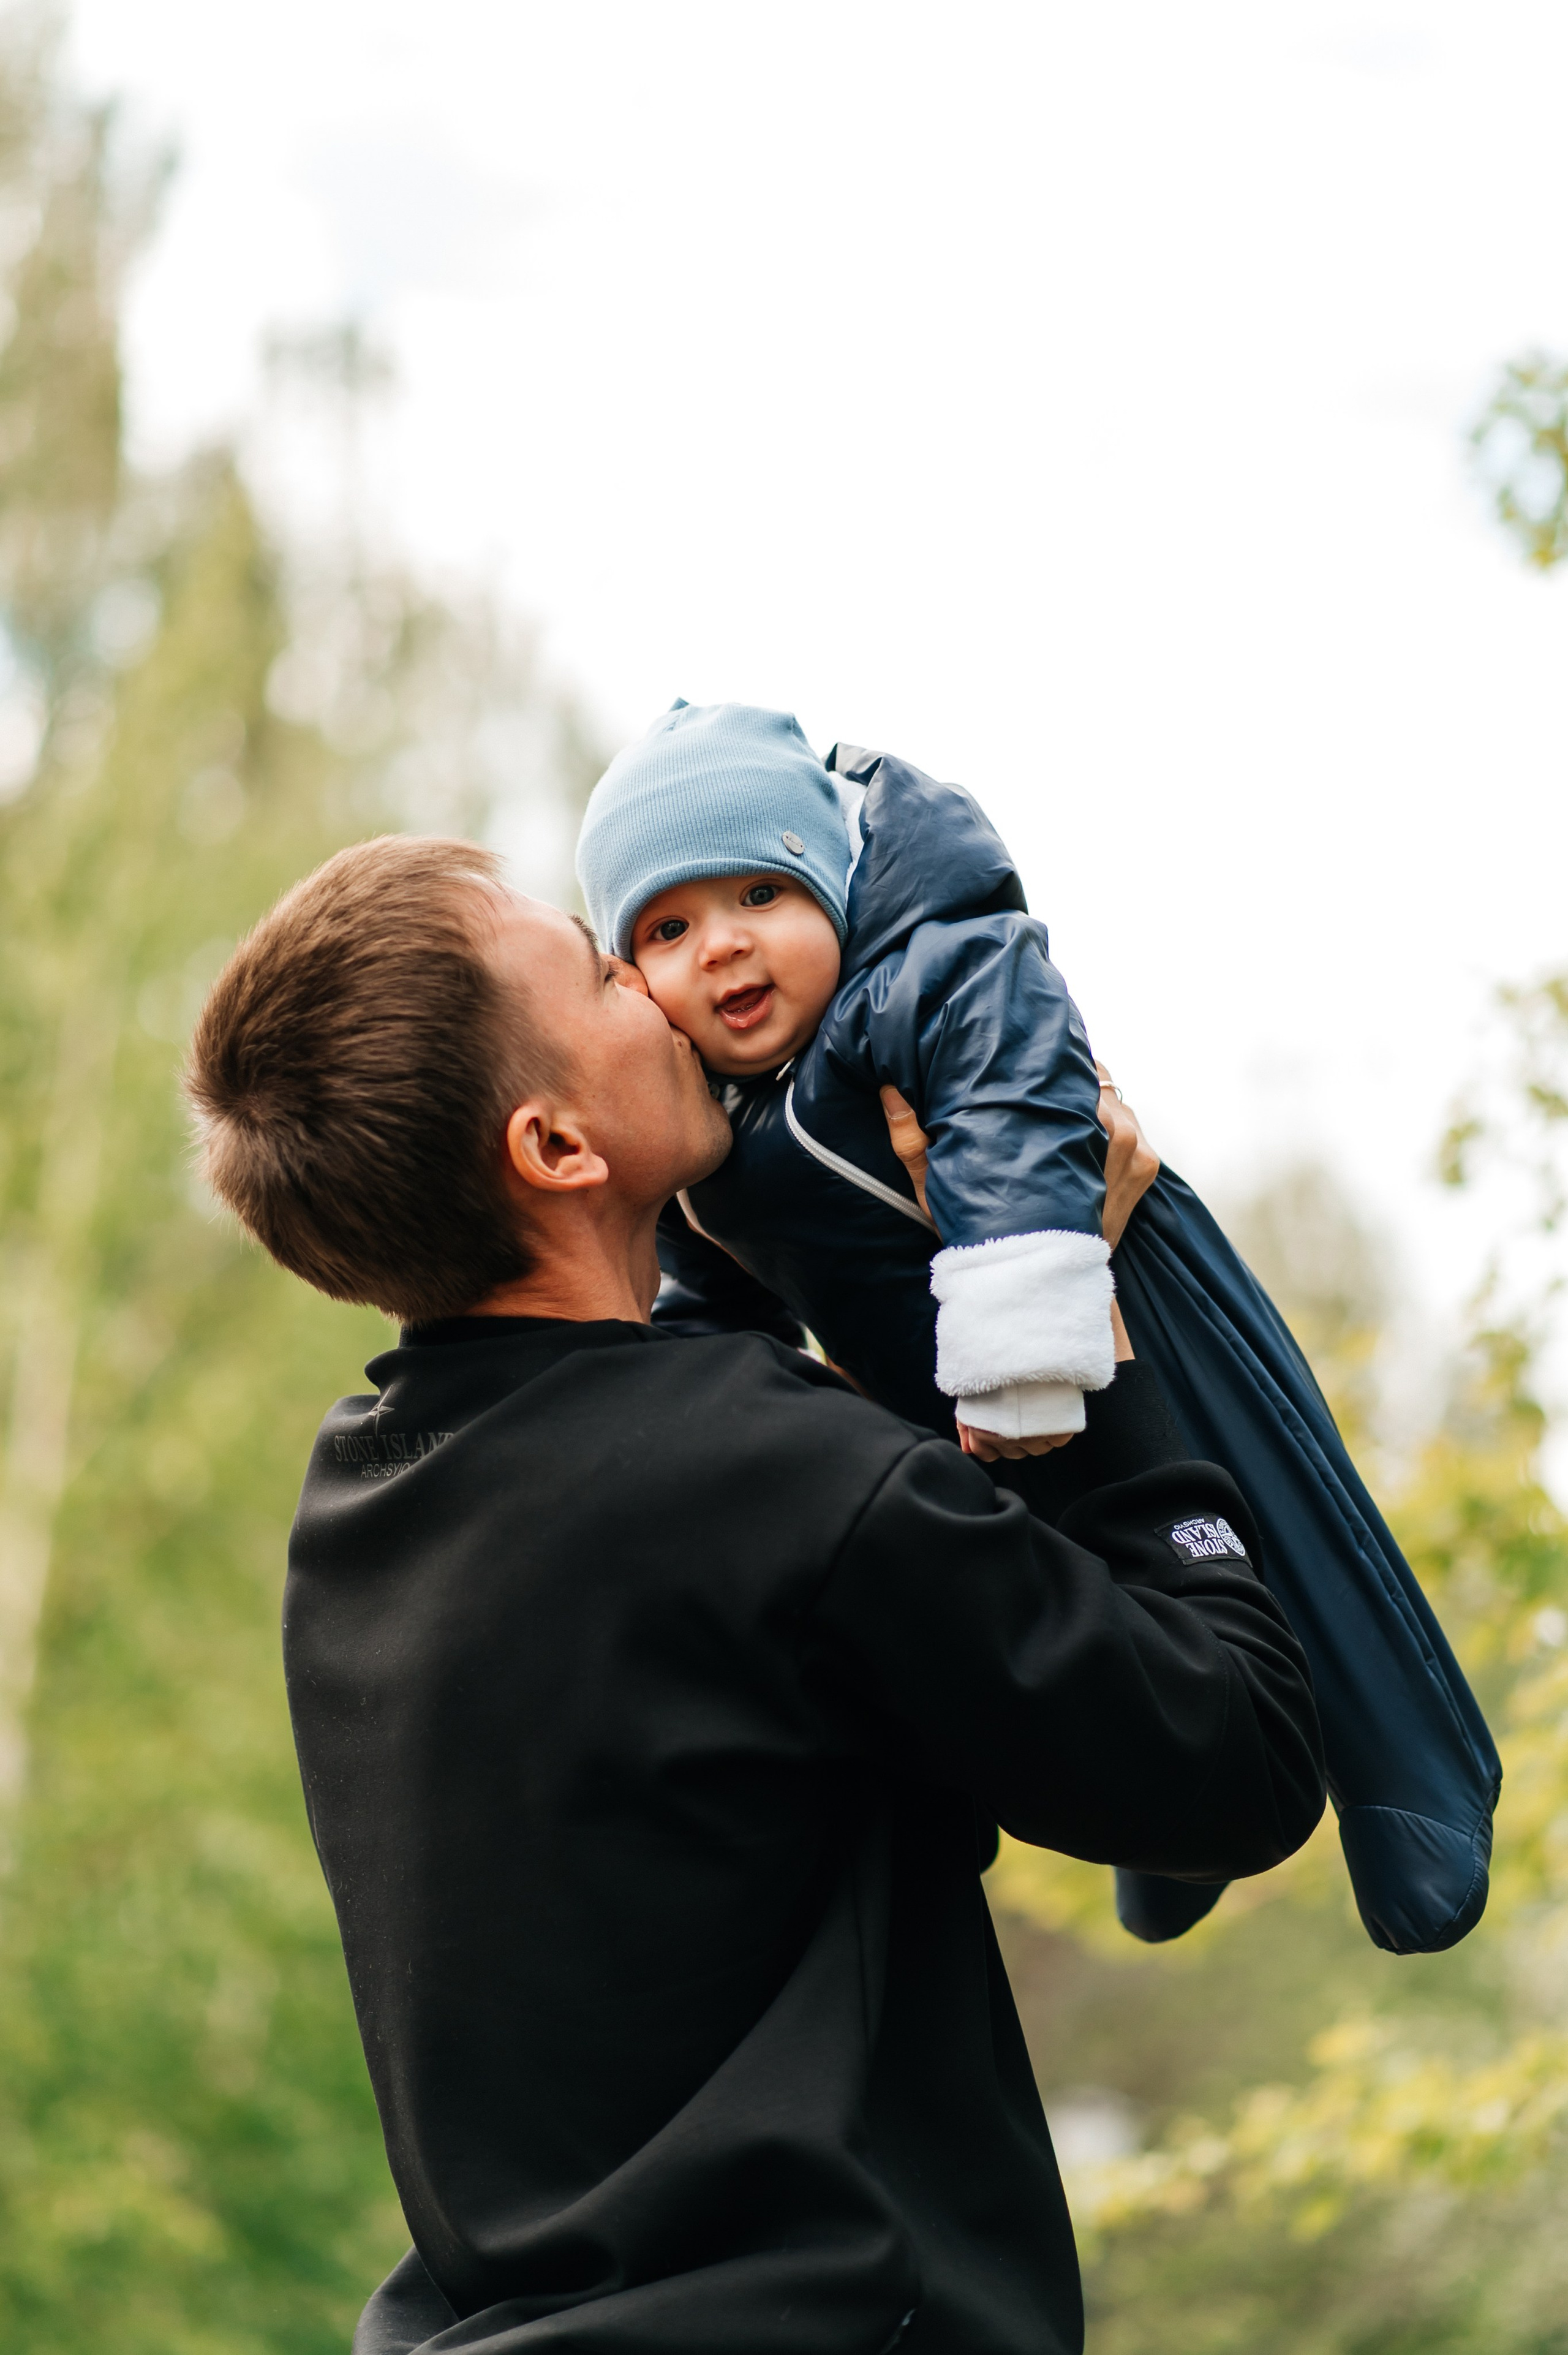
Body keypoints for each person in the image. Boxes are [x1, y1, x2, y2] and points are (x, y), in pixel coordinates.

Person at [186, 833, 1325, 2355]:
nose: (665, 991)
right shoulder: (761, 1476)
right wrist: (1065, 1322)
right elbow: (1233, 1757)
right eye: (604, 972)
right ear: (555, 1149)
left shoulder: (361, 1500)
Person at [575, 701, 1501, 1957]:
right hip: (960, 1416)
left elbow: (1011, 1105)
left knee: (1283, 1520)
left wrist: (1019, 1339)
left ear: (834, 885)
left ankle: (1415, 1785)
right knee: (1082, 1603)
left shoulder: (924, 976)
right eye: (670, 927)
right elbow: (713, 1307)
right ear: (634, 976)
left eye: (759, 892)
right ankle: (1168, 1838)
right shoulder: (713, 1139)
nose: (725, 946)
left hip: (1109, 1293)